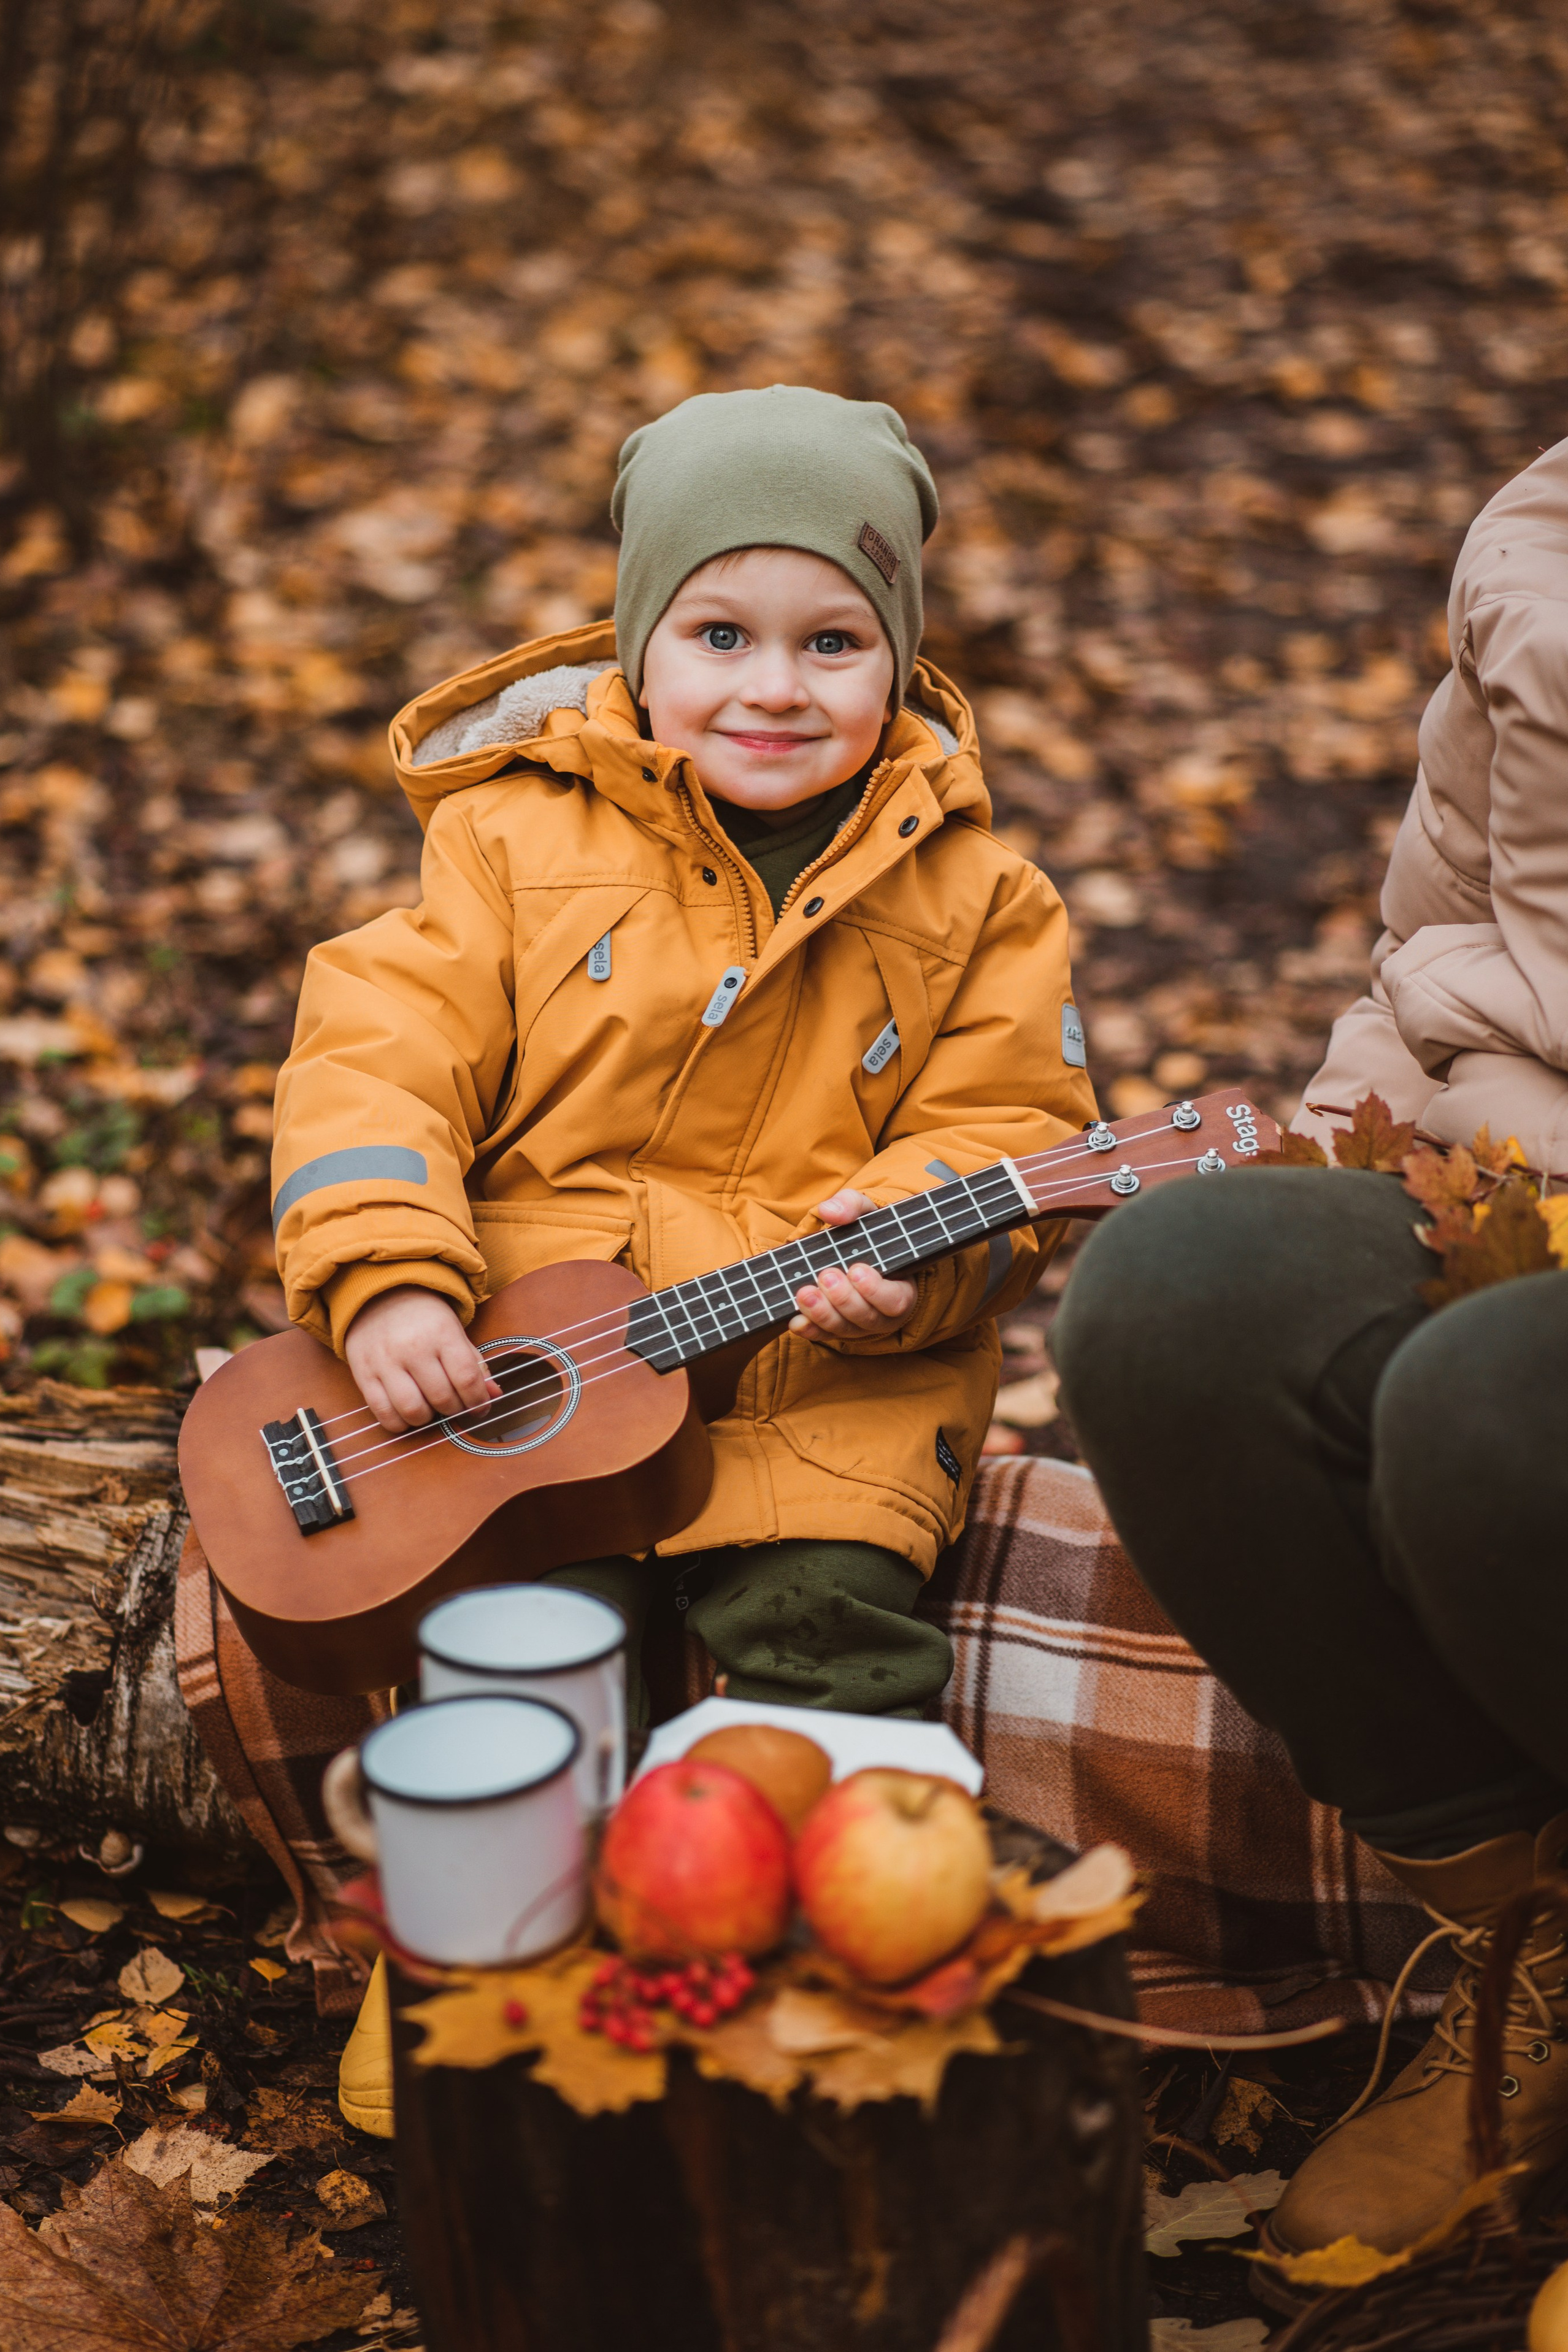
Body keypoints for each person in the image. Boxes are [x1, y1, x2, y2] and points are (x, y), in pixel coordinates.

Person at [269, 383, 1094, 2129]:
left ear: (900, 660)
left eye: (833, 642)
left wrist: (918, 1268)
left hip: (812, 1363)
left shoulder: (981, 900)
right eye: (720, 634)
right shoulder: (510, 839)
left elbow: (1008, 1128)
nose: (774, 686)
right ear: (639, 645)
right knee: (515, 1629)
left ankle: (813, 1958)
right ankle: (470, 1955)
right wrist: (392, 1271)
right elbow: (375, 1059)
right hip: (540, 1347)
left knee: (834, 1620)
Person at [1052, 437, 1568, 2261]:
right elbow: (1437, 942)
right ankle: (1529, 1960)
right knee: (1181, 1297)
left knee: (1486, 1406)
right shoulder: (1546, 545)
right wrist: (1344, 1161)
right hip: (1528, 1171)